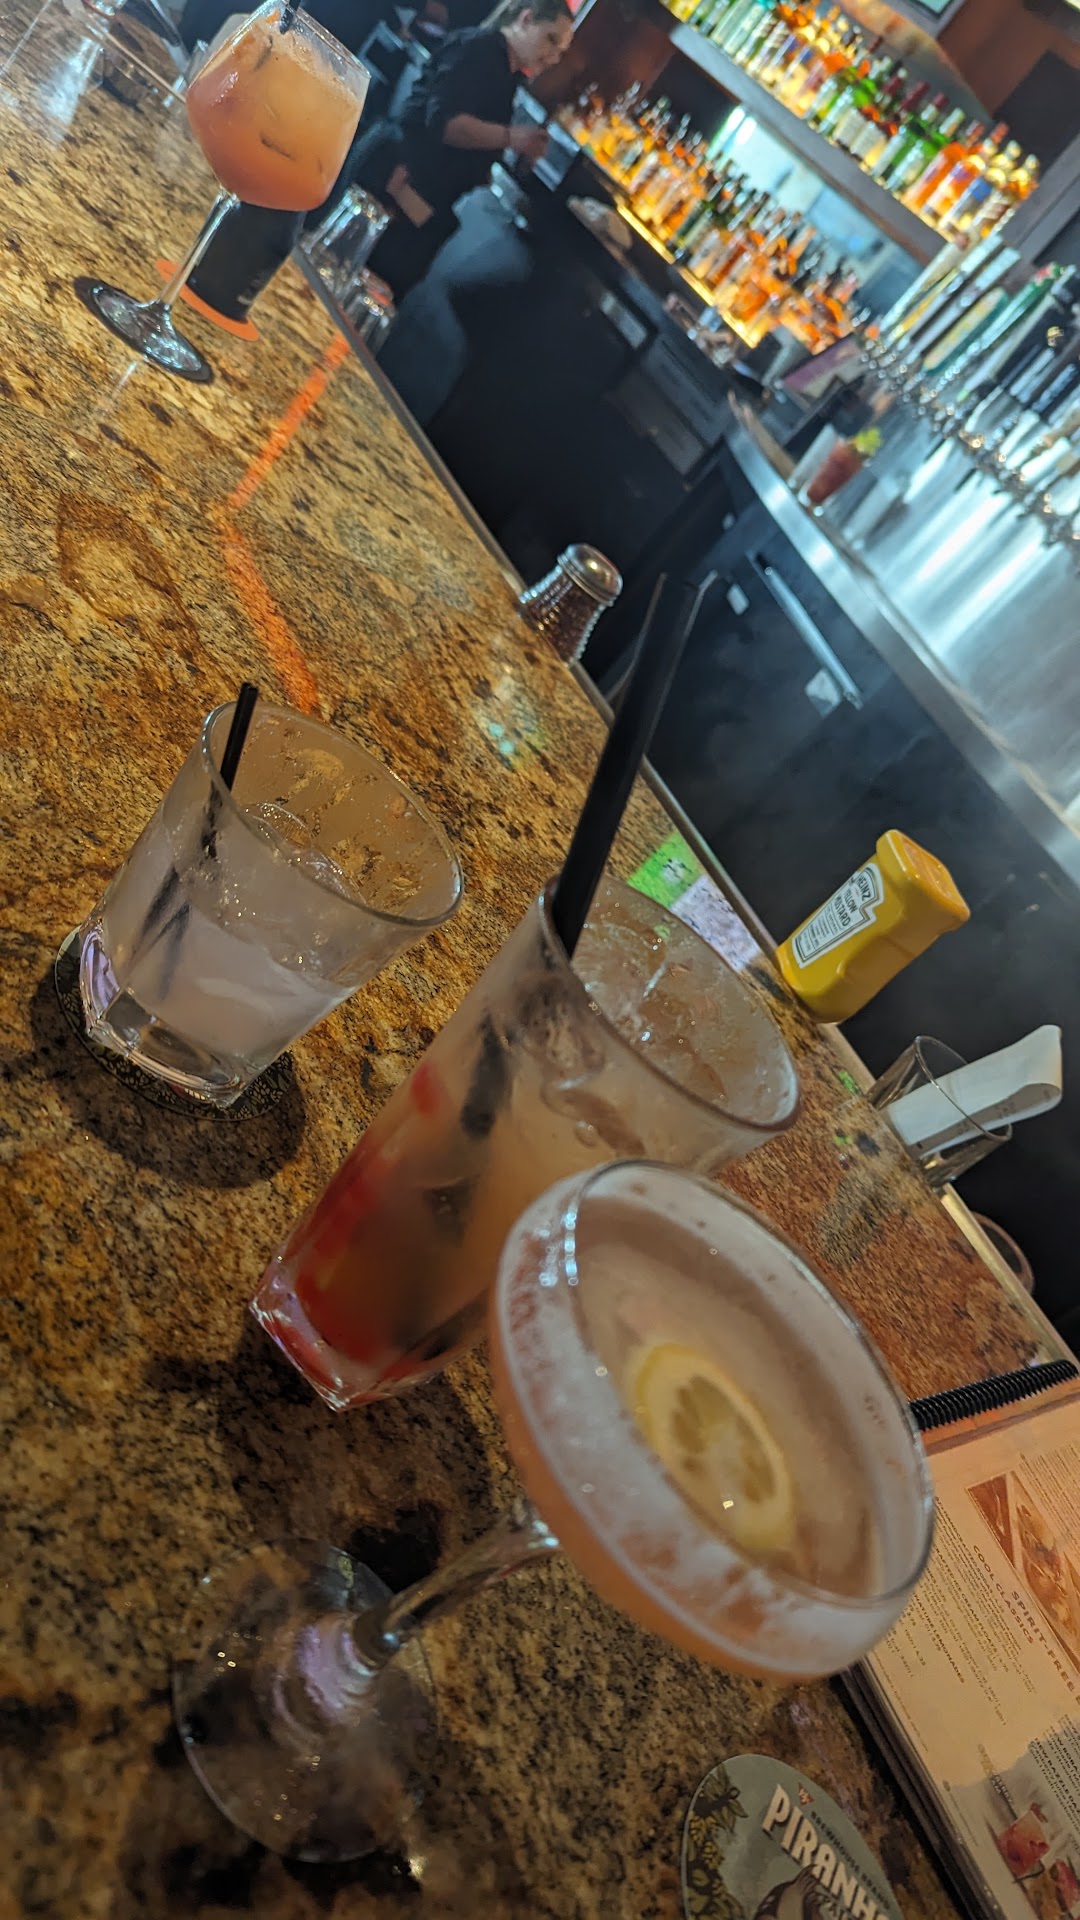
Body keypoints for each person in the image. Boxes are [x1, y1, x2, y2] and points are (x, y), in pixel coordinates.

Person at [345, 0, 573, 301]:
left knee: (372, 298)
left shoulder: (509, 76)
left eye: (561, 52)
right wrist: (511, 137)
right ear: (526, 19)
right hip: (396, 181)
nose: (553, 57)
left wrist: (517, 156)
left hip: (422, 204)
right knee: (341, 282)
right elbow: (446, 124)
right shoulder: (480, 49)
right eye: (551, 40)